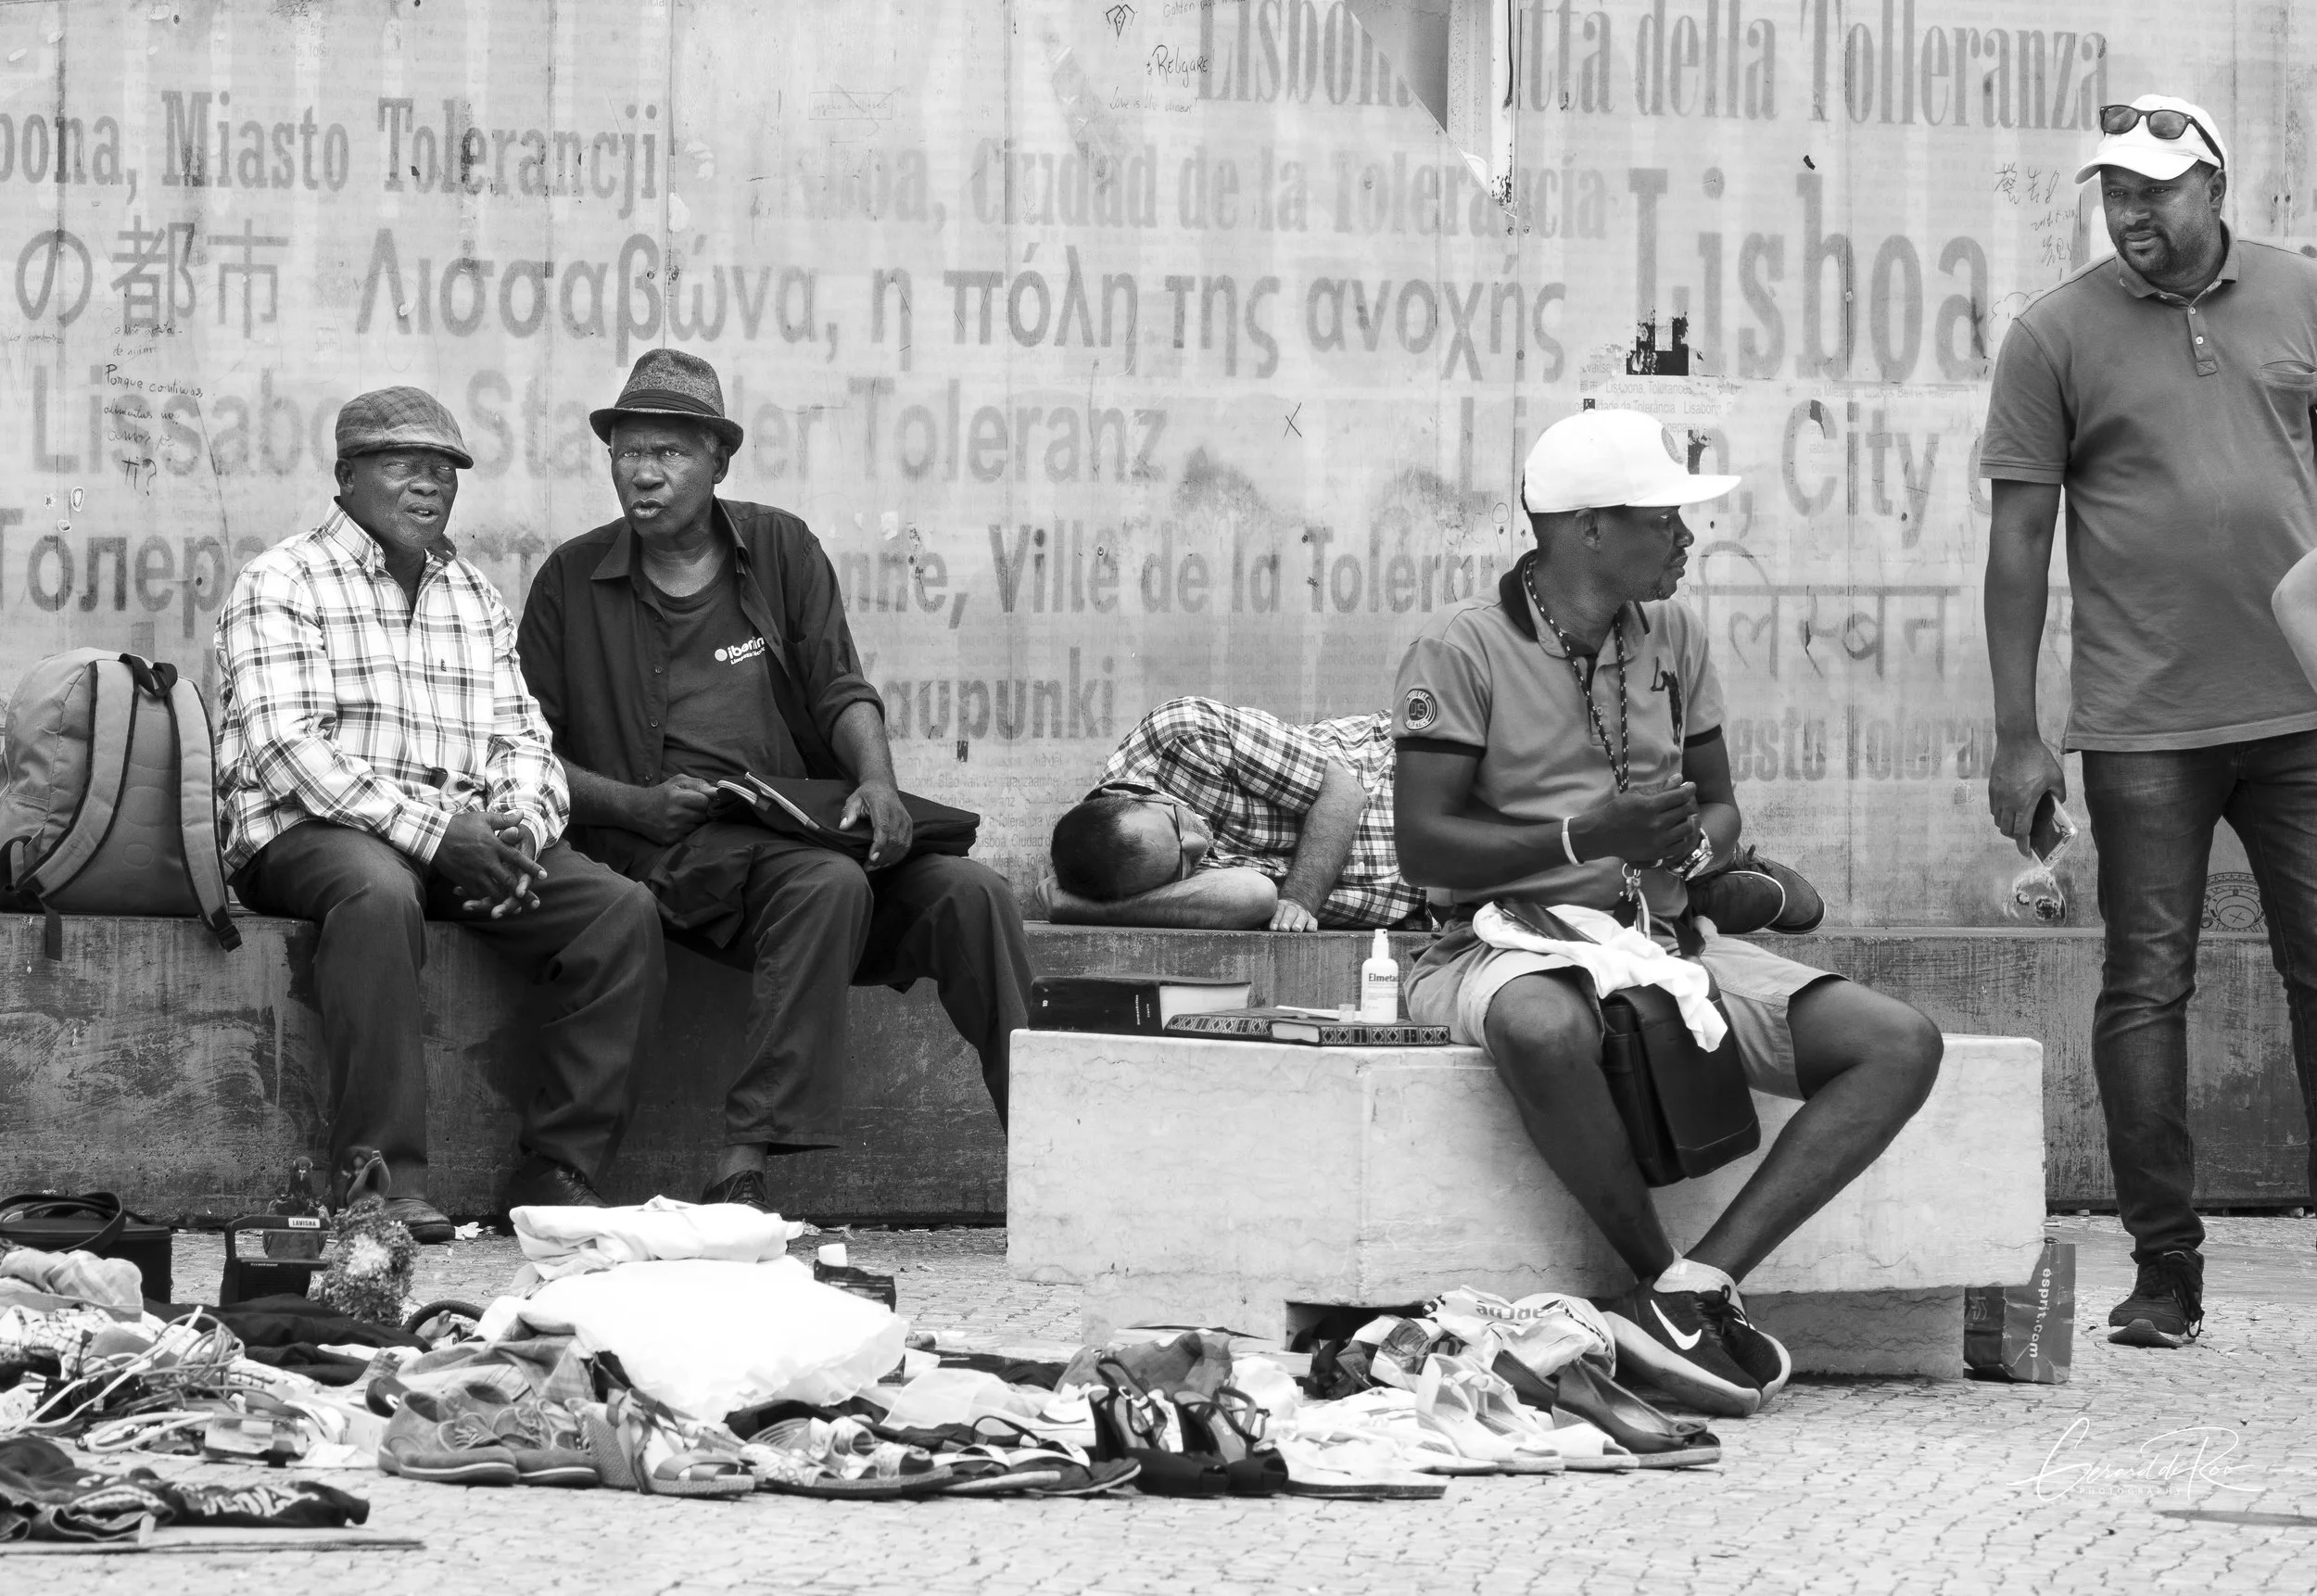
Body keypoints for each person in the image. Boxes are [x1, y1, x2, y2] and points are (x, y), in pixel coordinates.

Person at [1391, 408, 1943, 1417]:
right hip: (1490, 940)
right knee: (1540, 1021)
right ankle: (1654, 1276)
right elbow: (1424, 847)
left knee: (1896, 1043)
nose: (1687, 538)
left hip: (1662, 939)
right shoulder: (1458, 645)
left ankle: (1696, 1287)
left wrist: (1708, 846)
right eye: (1664, 519)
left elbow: (1719, 800)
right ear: (1586, 529)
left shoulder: (1675, 632)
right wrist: (1584, 839)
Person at [517, 349, 1033, 1213]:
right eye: (628, 452)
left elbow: (839, 685)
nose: (644, 474)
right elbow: (523, 752)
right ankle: (741, 1162)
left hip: (799, 827)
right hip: (673, 853)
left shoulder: (781, 546)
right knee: (826, 882)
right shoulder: (572, 580)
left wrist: (878, 783)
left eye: (671, 454)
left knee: (973, 895)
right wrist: (636, 805)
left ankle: (1054, 1152)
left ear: (719, 462)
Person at [1981, 95, 2317, 1349]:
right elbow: (2017, 539)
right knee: (2145, 986)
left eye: (2157, 190)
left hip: (2303, 704)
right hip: (2141, 723)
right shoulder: (2053, 334)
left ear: (2217, 186)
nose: (2133, 214)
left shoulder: (2301, 293)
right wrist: (2020, 731)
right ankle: (2164, 1273)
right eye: (2115, 191)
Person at [215, 387, 666, 1240]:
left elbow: (527, 743)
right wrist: (435, 834)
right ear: (346, 477)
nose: (427, 486)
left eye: (442, 471)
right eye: (401, 466)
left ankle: (558, 1172)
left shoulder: (474, 596)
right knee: (378, 893)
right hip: (313, 833)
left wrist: (519, 832)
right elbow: (286, 750)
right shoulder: (281, 579)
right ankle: (381, 1182)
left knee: (618, 912)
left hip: (460, 838)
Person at [1042, 697, 1427, 931]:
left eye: (1174, 826)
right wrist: (1100, 914)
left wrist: (1298, 901)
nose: (1197, 844)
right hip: (1432, 894)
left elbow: (1342, 792)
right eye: (1182, 864)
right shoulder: (1140, 878)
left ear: (1133, 795)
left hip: (1414, 779)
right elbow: (1255, 895)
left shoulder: (1182, 734)